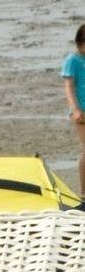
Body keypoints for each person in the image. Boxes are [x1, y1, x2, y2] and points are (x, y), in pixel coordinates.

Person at [63, 23, 85, 195]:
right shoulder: (72, 60)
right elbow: (69, 88)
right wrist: (75, 109)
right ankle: (84, 193)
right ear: (80, 43)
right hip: (81, 112)